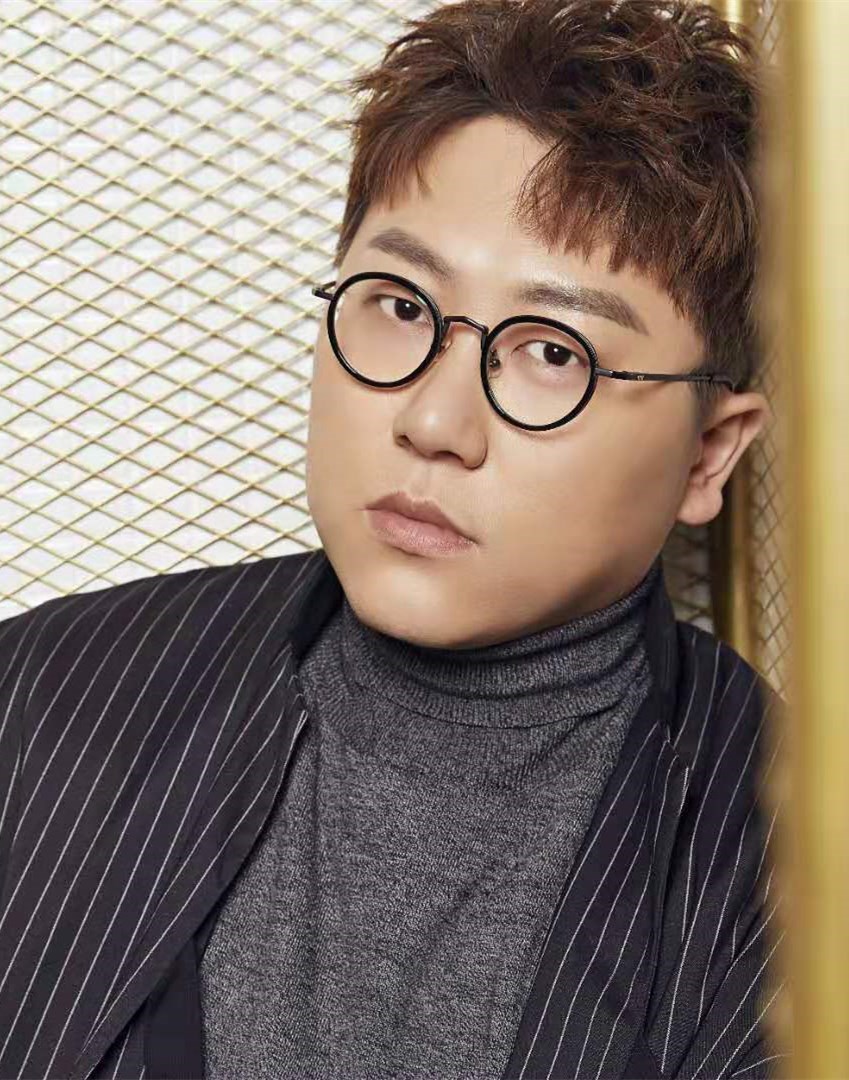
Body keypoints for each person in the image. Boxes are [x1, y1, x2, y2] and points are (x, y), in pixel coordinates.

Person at [0, 0, 788, 1077]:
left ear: (707, 454)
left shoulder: (786, 862)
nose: (433, 420)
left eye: (553, 353)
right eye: (403, 307)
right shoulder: (44, 694)